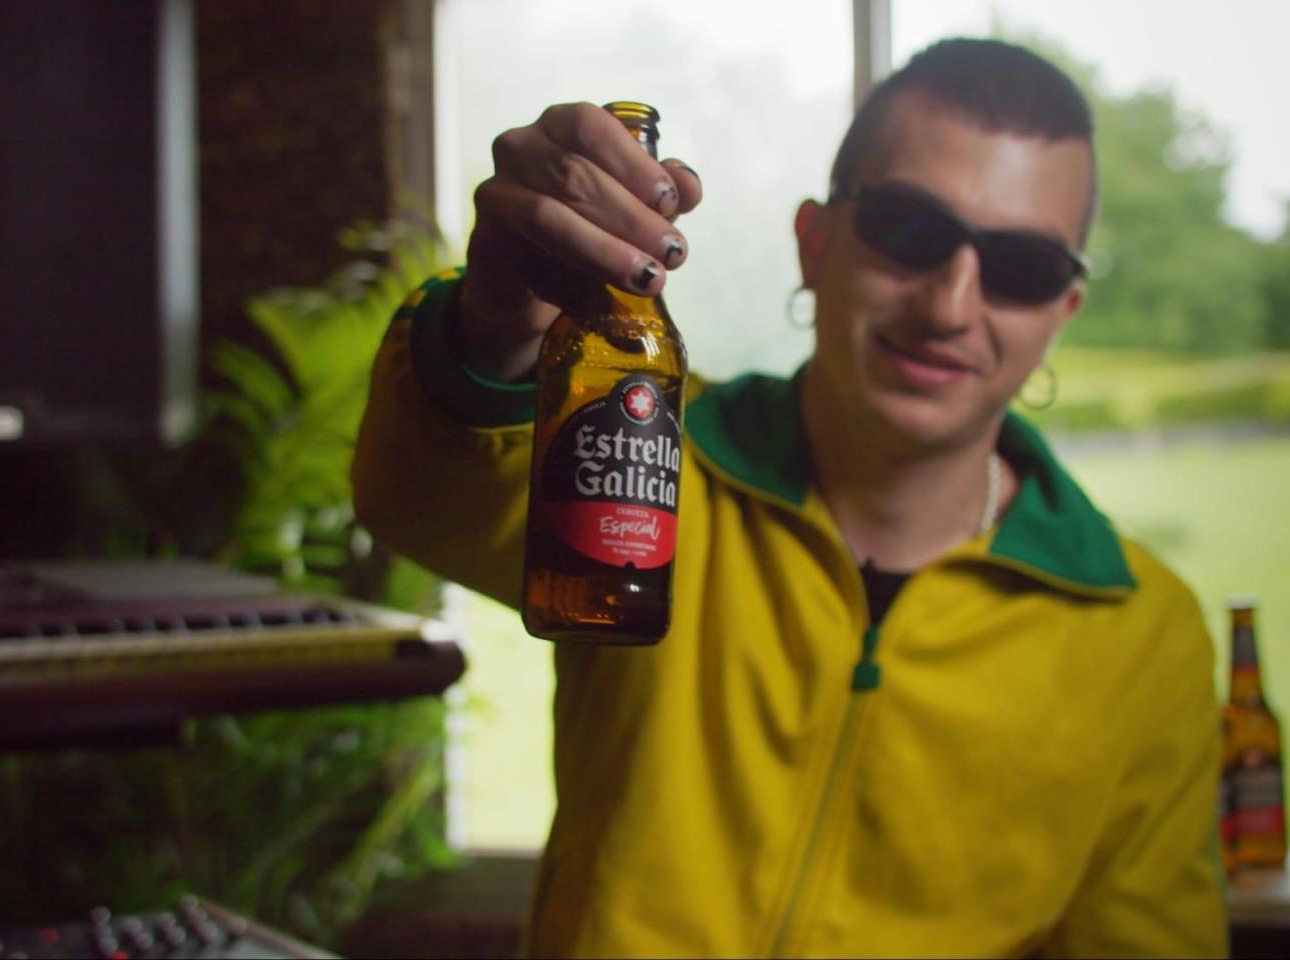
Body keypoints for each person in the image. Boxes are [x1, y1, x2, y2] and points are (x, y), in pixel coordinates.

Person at [353, 38, 1226, 958]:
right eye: (909, 230)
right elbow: (418, 498)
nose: (950, 305)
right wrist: (498, 324)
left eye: (1023, 267)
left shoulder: (1144, 635)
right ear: (814, 243)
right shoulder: (658, 454)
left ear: (1062, 313)